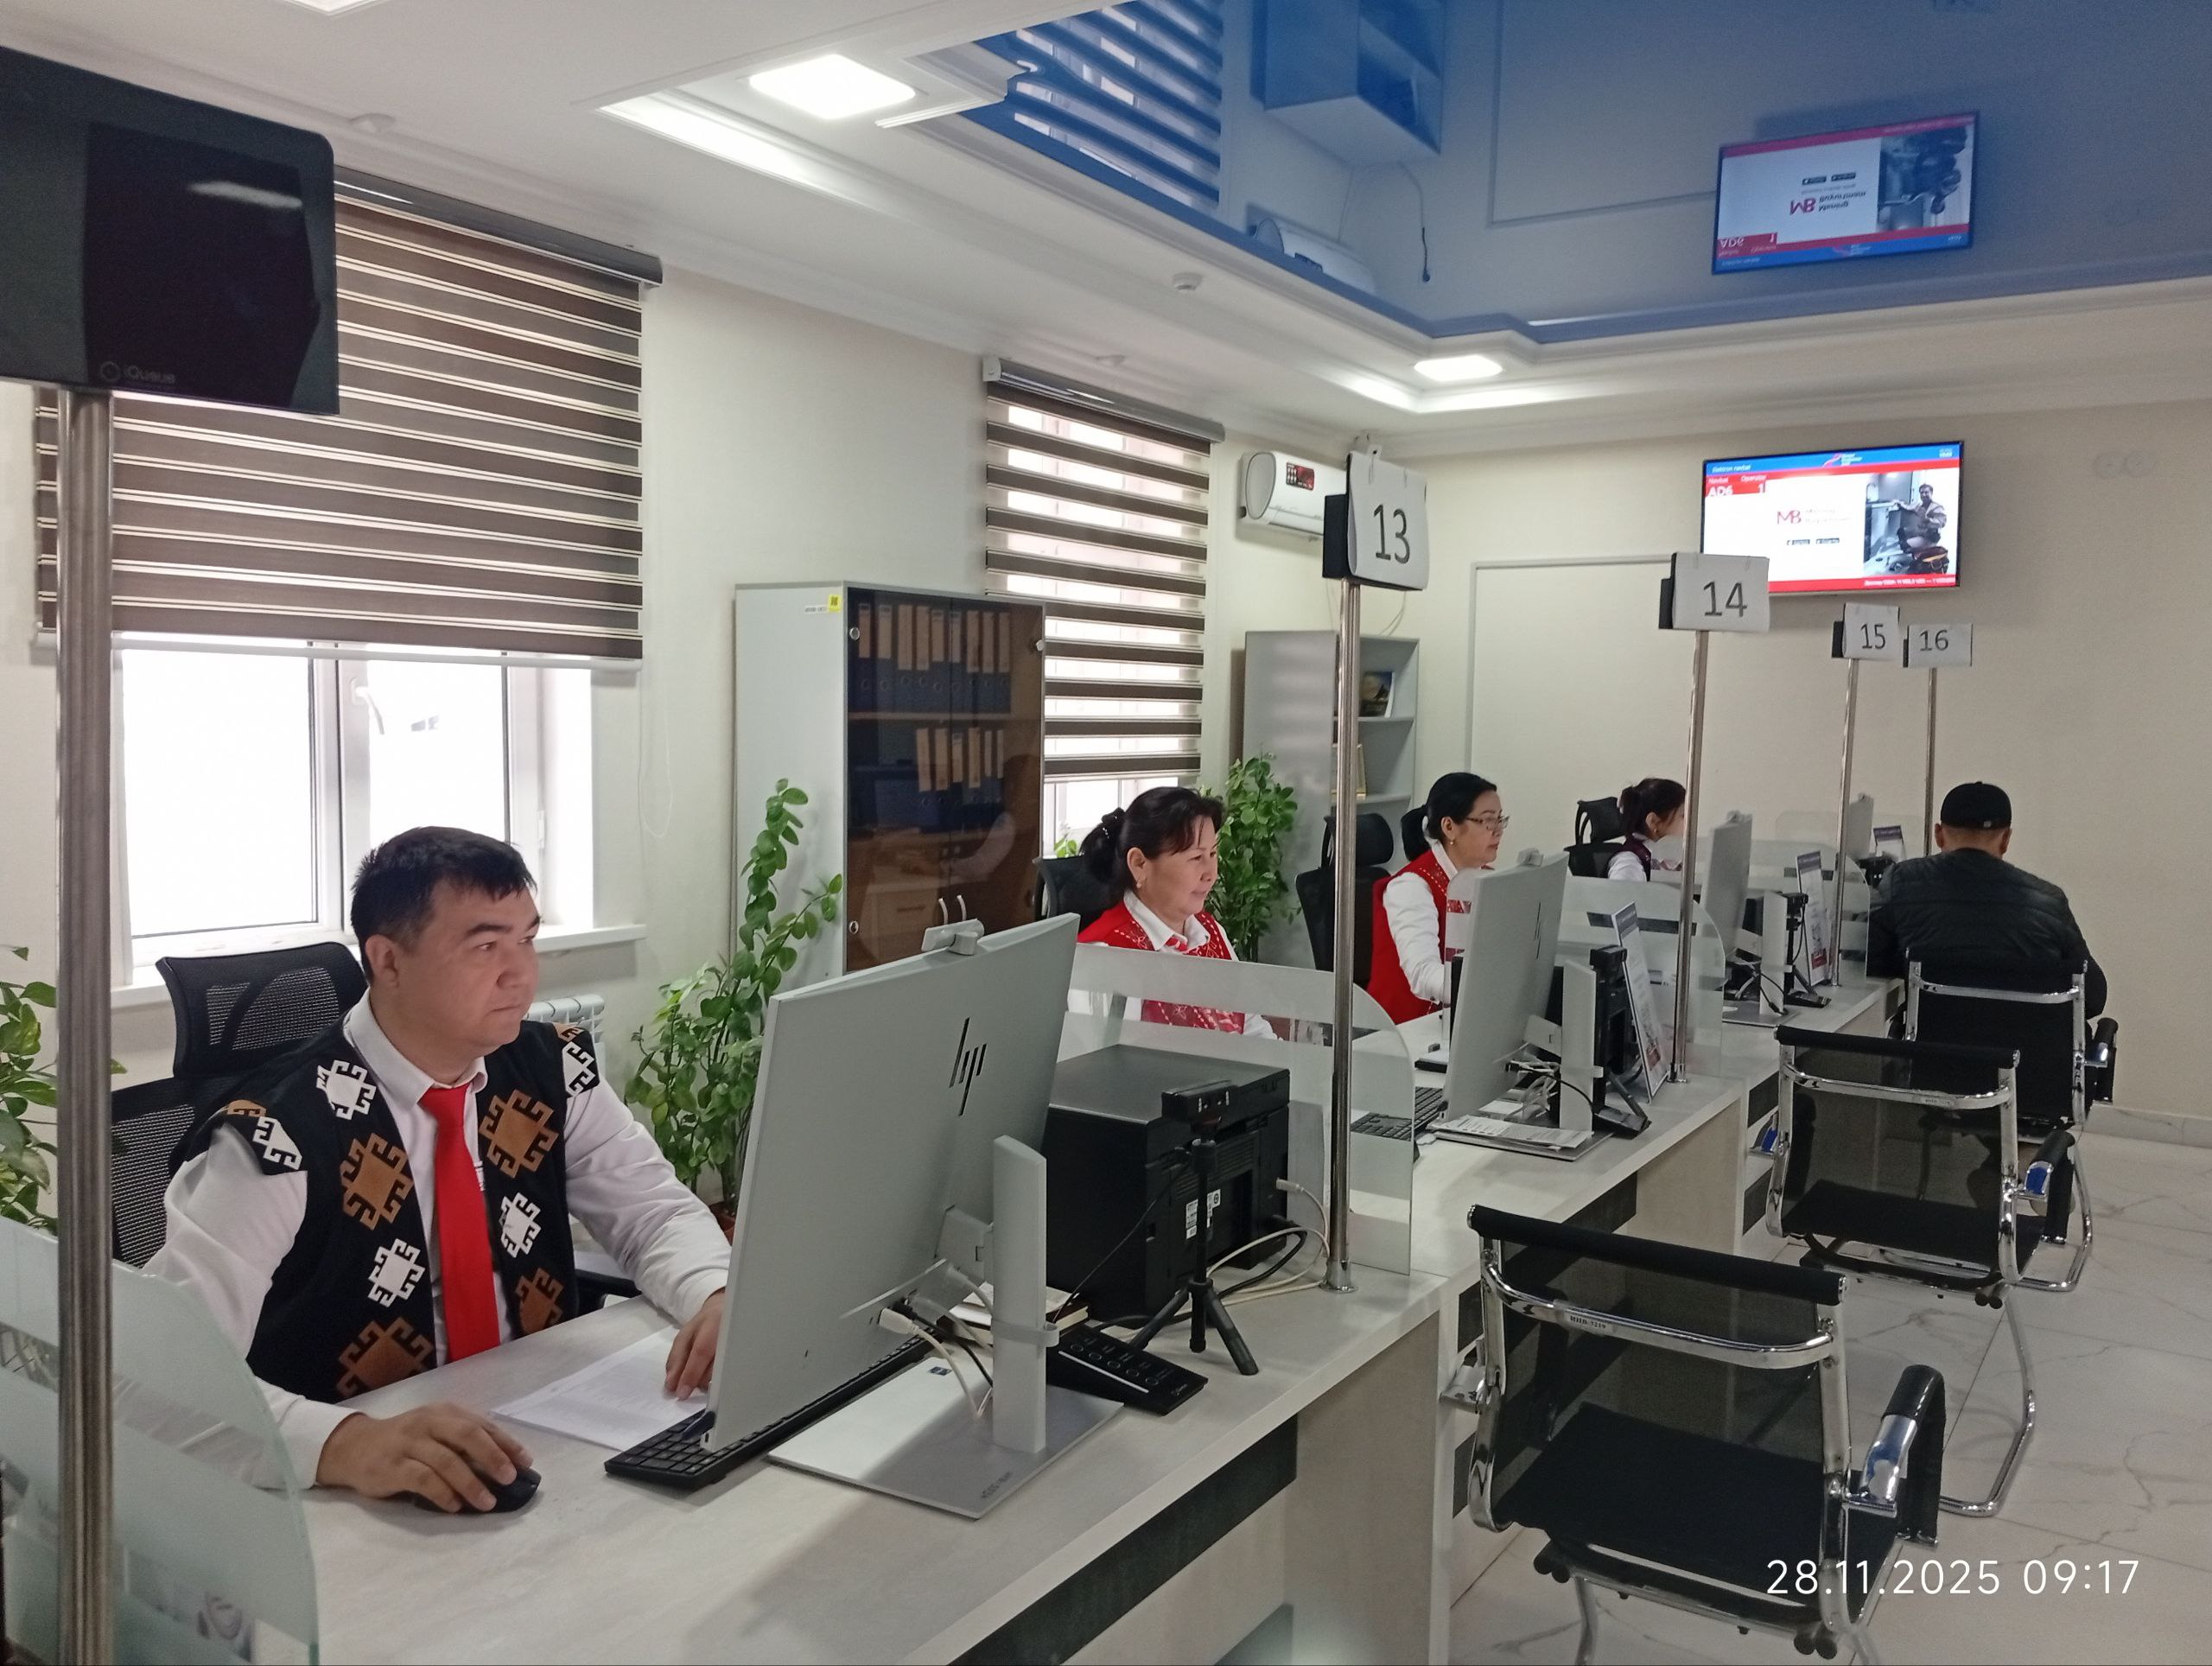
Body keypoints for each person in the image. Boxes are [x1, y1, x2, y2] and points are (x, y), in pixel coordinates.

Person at [150, 827, 734, 1512]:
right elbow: (156, 1380)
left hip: (544, 1433)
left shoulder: (551, 1069)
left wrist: (713, 1293)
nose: (521, 974)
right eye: (486, 946)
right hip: (359, 1493)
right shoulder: (274, 1140)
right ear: (389, 962)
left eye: (527, 940)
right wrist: (345, 1443)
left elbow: (652, 1211)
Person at [1866, 782, 2106, 1014]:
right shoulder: (2048, 901)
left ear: (1939, 834)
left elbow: (1868, 957)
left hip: (1934, 1051)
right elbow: (2093, 996)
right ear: (2006, 839)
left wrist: (1917, 962)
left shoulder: (1903, 882)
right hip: (2027, 1051)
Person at [1077, 785, 1249, 1032]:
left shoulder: (1210, 931)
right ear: (1139, 864)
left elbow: (1250, 1023)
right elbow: (1105, 1064)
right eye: (1196, 858)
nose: (1211, 874)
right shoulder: (1106, 956)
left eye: (1213, 854)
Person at [1366, 773, 1506, 1024]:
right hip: (1405, 1032)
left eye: (1500, 820)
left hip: (1461, 1021)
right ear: (1449, 827)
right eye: (1487, 822)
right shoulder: (1411, 886)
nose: (1497, 831)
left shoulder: (1486, 879)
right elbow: (1423, 974)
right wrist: (1488, 990)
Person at [1608, 778, 1687, 882]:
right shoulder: (1629, 863)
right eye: (1683, 816)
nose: (1688, 823)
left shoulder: (1665, 856)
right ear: (1654, 822)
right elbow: (1618, 896)